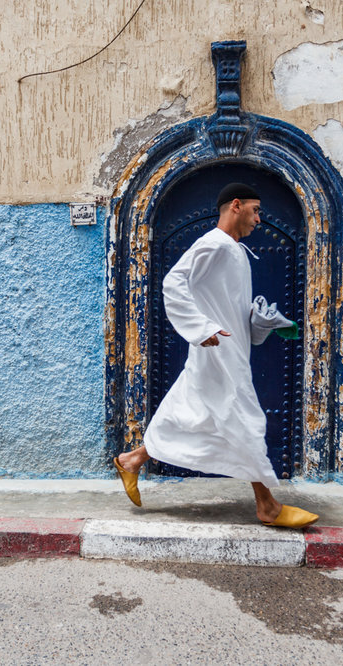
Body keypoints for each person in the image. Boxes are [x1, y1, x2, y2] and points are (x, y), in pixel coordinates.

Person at [112, 183, 319, 529]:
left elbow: (228, 306)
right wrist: (200, 327)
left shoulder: (235, 251)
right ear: (235, 206)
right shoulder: (213, 243)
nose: (259, 220)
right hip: (218, 351)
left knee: (187, 409)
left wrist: (260, 322)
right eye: (255, 211)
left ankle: (132, 460)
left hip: (226, 349)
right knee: (246, 418)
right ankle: (267, 506)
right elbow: (173, 283)